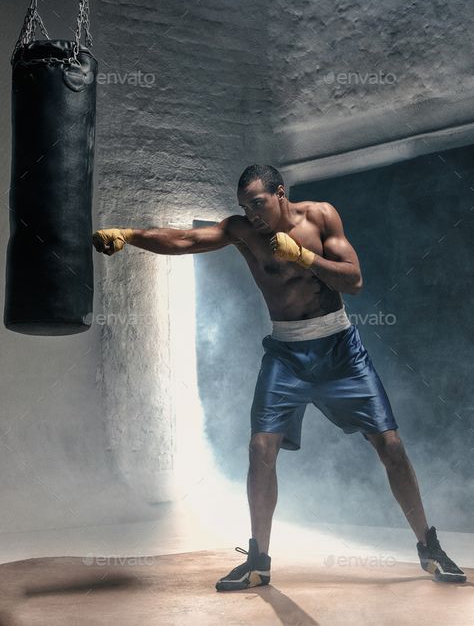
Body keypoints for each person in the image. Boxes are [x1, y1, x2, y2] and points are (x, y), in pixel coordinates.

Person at [92, 164, 466, 588]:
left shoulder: (321, 216)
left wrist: (304, 257)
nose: (252, 214)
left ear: (280, 194)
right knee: (260, 448)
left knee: (390, 445)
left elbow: (355, 281)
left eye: (258, 203)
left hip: (340, 349)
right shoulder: (242, 232)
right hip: (286, 354)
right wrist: (130, 235)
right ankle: (258, 562)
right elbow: (186, 239)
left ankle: (429, 548)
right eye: (245, 207)